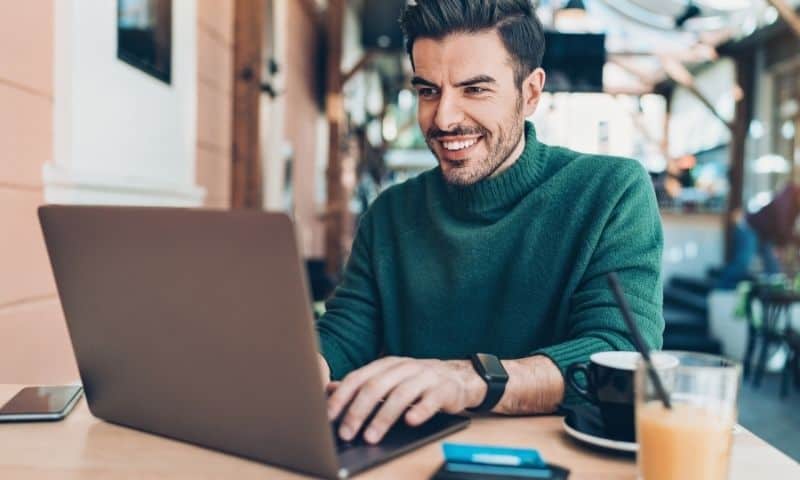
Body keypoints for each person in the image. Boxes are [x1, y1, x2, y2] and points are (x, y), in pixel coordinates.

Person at [316, 0, 663, 445]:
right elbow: (344, 335)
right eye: (428, 91)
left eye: (475, 90)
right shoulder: (390, 214)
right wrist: (305, 368)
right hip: (412, 460)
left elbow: (620, 354)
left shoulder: (611, 191)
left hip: (556, 462)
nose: (444, 118)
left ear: (531, 93)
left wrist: (470, 380)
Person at [716, 183, 800, 289]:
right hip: (750, 229)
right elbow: (783, 227)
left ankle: (772, 293)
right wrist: (790, 242)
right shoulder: (787, 200)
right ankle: (723, 288)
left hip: (764, 235)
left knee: (772, 266)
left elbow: (785, 230)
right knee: (742, 261)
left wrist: (785, 243)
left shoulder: (794, 207)